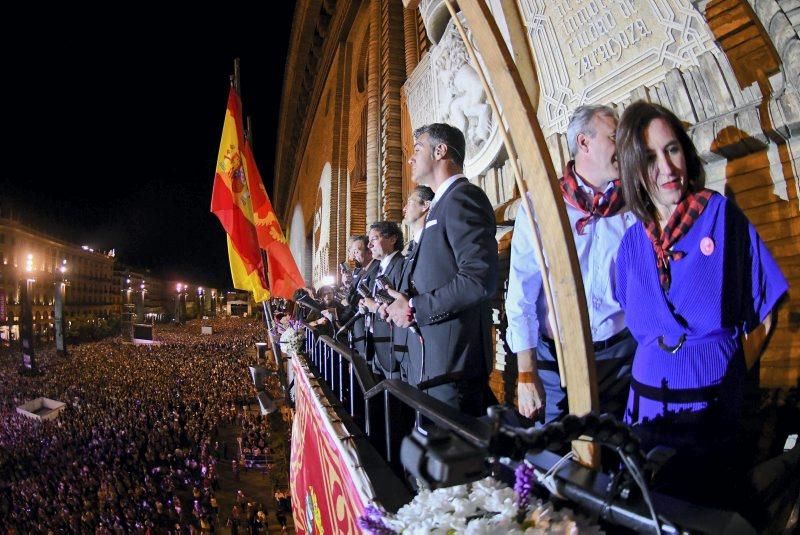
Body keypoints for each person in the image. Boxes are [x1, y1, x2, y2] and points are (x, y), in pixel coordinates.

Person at [614, 101, 788, 490]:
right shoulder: (629, 244)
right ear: (633, 169)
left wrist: (728, 377)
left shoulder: (721, 217)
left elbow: (765, 312)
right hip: (645, 413)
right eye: (649, 157)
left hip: (711, 409)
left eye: (671, 149)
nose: (667, 168)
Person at [505, 104, 637, 425]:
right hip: (557, 358)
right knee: (556, 453)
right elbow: (522, 292)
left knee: (613, 449)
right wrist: (526, 372)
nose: (623, 146)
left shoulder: (633, 203)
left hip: (620, 356)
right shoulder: (541, 206)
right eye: (613, 137)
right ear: (584, 143)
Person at [386, 123, 498, 416]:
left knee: (455, 455)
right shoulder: (442, 204)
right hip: (433, 360)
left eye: (418, 149)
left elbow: (477, 279)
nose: (410, 158)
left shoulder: (463, 197)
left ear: (440, 151)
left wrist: (415, 306)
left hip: (454, 363)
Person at [392, 186, 434, 383]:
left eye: (409, 202)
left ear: (426, 205)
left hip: (431, 341)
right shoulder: (412, 248)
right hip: (409, 345)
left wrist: (410, 306)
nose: (404, 209)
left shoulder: (434, 242)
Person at [360, 221, 405, 378]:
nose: (369, 245)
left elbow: (401, 304)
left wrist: (374, 306)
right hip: (376, 342)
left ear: (392, 239)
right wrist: (367, 303)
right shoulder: (378, 267)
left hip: (393, 343)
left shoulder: (401, 265)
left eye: (374, 239)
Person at [339, 235, 379, 358]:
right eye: (353, 251)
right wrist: (348, 284)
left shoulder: (376, 268)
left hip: (372, 328)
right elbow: (352, 299)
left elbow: (359, 300)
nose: (354, 254)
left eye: (357, 251)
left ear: (369, 251)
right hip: (360, 328)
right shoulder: (362, 271)